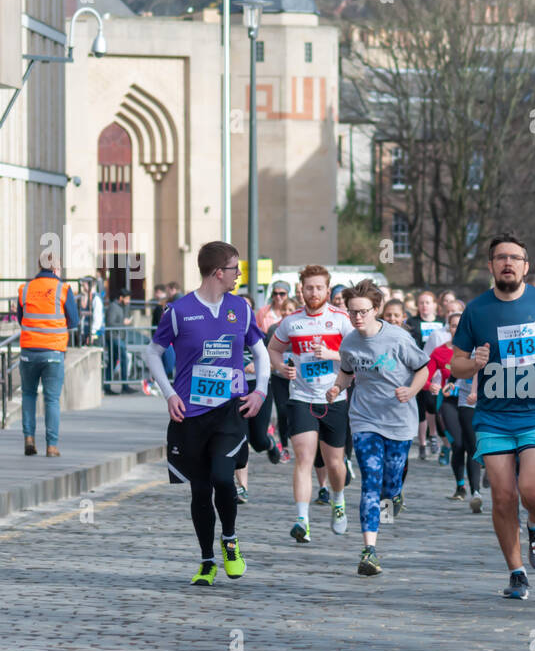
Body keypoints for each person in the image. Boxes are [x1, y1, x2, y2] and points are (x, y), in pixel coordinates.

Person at [450, 233, 535, 599]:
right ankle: (517, 572)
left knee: (532, 489)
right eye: (500, 257)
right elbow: (456, 363)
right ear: (490, 266)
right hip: (493, 415)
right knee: (503, 497)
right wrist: (473, 363)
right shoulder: (476, 310)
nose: (508, 263)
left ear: (525, 265)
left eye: (515, 258)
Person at [142, 241, 267, 585]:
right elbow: (152, 354)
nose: (238, 275)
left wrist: (260, 391)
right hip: (190, 415)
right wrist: (168, 395)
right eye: (234, 270)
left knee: (224, 479)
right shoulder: (179, 311)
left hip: (229, 410)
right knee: (200, 490)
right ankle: (207, 560)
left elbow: (261, 352)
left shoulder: (240, 309)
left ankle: (229, 539)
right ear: (217, 272)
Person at [326, 281, 430, 575]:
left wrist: (411, 390)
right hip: (364, 419)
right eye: (352, 312)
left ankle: (395, 495)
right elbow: (347, 374)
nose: (357, 318)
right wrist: (336, 389)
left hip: (398, 420)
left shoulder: (398, 338)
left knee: (389, 483)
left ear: (377, 309)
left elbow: (423, 368)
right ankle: (369, 551)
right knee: (371, 481)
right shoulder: (349, 343)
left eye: (363, 312)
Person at [267, 265, 354, 541]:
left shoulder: (342, 320)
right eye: (309, 287)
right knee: (303, 459)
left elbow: (358, 354)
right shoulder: (292, 321)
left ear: (328, 290)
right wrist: (282, 368)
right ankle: (302, 520)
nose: (313, 292)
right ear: (301, 290)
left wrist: (332, 353)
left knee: (335, 463)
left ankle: (338, 501)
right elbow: (273, 349)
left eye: (319, 288)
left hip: (334, 398)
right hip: (302, 398)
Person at [17, 255, 79, 456]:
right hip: (53, 351)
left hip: (28, 351)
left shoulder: (25, 289)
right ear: (55, 269)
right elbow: (74, 320)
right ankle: (51, 446)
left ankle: (29, 438)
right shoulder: (63, 289)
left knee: (28, 394)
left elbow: (21, 318)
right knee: (51, 399)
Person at [432, 312, 482, 509]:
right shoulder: (456, 347)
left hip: (487, 401)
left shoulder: (485, 341)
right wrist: (450, 384)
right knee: (464, 444)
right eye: (453, 325)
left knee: (477, 446)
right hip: (463, 401)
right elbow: (456, 370)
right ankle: (470, 490)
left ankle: (481, 484)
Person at [406, 290, 446, 459]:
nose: (424, 306)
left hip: (437, 369)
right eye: (421, 303)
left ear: (435, 305)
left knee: (434, 405)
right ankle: (422, 443)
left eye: (428, 302)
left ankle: (434, 436)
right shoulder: (413, 322)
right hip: (417, 368)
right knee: (421, 406)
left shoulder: (442, 323)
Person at [104, 288, 135, 394]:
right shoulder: (113, 307)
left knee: (113, 361)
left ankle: (108, 386)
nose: (128, 301)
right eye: (127, 299)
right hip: (114, 338)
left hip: (118, 337)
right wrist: (123, 323)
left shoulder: (123, 307)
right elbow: (110, 323)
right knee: (122, 359)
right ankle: (124, 385)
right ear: (121, 298)